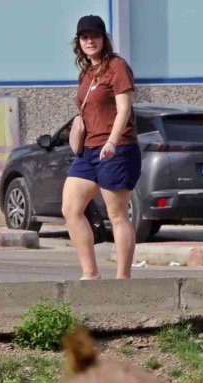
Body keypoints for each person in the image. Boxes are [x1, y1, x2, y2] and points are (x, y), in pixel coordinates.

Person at [62, 15, 141, 280]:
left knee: (117, 214)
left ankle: (122, 279)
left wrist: (112, 141)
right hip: (89, 150)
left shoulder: (117, 67)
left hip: (117, 148)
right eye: (84, 37)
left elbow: (124, 109)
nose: (89, 41)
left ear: (104, 39)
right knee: (71, 209)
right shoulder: (86, 73)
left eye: (94, 36)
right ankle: (90, 274)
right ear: (79, 42)